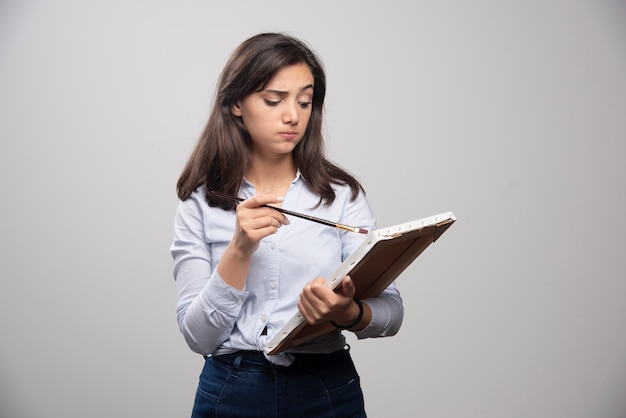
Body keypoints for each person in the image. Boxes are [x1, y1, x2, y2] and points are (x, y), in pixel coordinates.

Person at [171, 32, 403, 417]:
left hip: (327, 386)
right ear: (236, 105)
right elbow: (198, 337)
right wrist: (240, 249)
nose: (293, 115)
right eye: (274, 100)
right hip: (231, 389)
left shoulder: (341, 195)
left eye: (305, 101)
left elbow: (392, 313)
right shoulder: (200, 201)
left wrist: (346, 313)